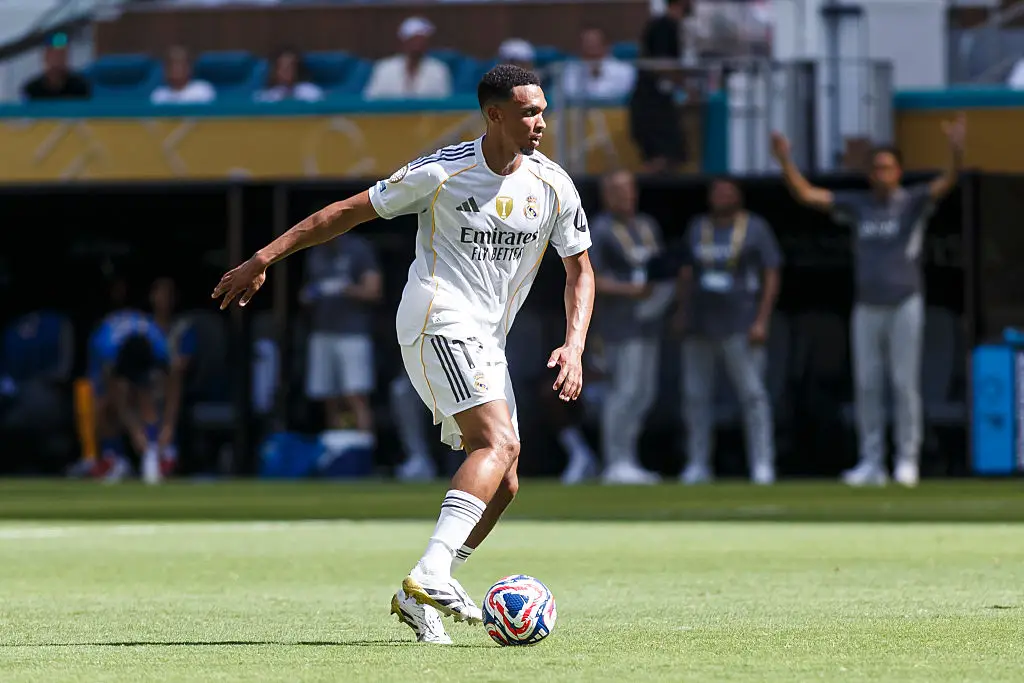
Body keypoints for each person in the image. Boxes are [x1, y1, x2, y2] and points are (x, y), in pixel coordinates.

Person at [213, 64, 593, 645]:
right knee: (498, 444)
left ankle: (420, 592)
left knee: (507, 479)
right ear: (494, 115)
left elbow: (580, 271)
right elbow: (343, 212)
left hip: (488, 338)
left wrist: (574, 343)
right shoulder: (442, 171)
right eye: (527, 112)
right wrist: (264, 258)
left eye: (542, 110)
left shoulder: (554, 185)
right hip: (435, 316)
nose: (540, 122)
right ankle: (431, 572)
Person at [770, 114, 965, 487]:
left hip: (905, 300)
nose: (882, 174)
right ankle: (870, 460)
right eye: (876, 168)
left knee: (904, 383)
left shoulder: (912, 202)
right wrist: (785, 162)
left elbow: (946, 183)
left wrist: (955, 152)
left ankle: (907, 459)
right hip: (867, 304)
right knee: (867, 383)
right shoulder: (858, 205)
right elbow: (808, 195)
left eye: (888, 168)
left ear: (899, 171)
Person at [675, 178, 781, 485]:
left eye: (728, 192)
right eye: (717, 192)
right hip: (701, 323)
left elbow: (771, 273)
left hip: (741, 322)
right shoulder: (697, 226)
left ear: (739, 197)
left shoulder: (755, 227)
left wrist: (762, 319)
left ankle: (762, 463)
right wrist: (682, 311)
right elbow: (686, 272)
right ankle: (698, 463)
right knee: (696, 397)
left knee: (753, 396)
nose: (722, 197)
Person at [584, 169, 668, 485]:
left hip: (649, 321)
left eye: (630, 190)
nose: (627, 197)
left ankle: (629, 459)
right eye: (618, 192)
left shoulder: (647, 226)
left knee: (645, 394)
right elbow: (591, 277)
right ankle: (615, 461)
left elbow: (655, 267)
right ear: (607, 195)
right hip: (619, 325)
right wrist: (630, 291)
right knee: (624, 391)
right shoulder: (601, 229)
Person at [301, 234, 382, 432]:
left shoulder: (358, 248)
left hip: (353, 333)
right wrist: (311, 294)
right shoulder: (315, 252)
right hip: (322, 332)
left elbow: (374, 291)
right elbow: (305, 292)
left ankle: (362, 452)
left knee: (355, 395)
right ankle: (336, 454)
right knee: (328, 397)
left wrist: (346, 289)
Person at [629, 0, 689, 173]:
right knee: (659, 159)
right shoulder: (662, 27)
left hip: (661, 103)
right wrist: (684, 84)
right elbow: (661, 65)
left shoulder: (674, 26)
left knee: (674, 159)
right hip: (650, 106)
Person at [363, 16, 452, 100]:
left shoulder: (439, 69)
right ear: (404, 41)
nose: (419, 44)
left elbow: (445, 105)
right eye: (415, 40)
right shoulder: (384, 68)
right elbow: (370, 100)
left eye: (422, 40)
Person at [561, 26, 636, 101]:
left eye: (595, 42)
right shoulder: (571, 70)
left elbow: (626, 94)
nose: (591, 46)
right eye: (587, 42)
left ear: (606, 44)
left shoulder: (624, 70)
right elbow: (569, 93)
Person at [21, 33, 91, 101]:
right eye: (55, 55)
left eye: (62, 55)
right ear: (46, 57)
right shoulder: (32, 90)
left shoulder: (79, 87)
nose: (58, 60)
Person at [151, 46, 216, 105]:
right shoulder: (159, 95)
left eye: (179, 65)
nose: (175, 69)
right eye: (171, 65)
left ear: (189, 68)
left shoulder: (203, 90)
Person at [255, 47, 324, 103]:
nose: (286, 71)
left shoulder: (311, 91)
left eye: (289, 67)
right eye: (281, 67)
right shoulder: (265, 96)